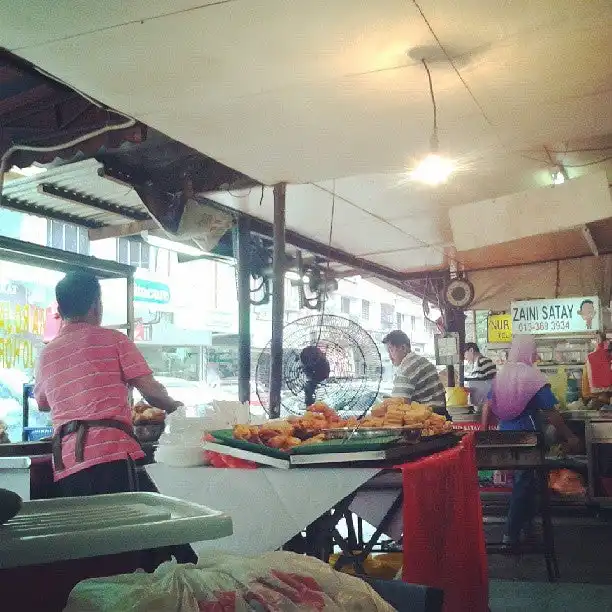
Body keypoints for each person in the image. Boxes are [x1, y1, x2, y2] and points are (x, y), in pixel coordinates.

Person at [481, 335, 580, 548]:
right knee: (524, 484)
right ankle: (511, 534)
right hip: (528, 439)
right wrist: (569, 436)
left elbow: (487, 407)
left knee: (527, 483)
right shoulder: (532, 376)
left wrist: (483, 434)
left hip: (503, 438)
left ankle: (527, 529)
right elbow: (551, 413)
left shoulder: (502, 375)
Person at [382, 330, 449, 417]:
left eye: (391, 350)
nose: (390, 357)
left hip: (426, 420)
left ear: (403, 348)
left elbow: (397, 407)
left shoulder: (406, 368)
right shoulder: (421, 360)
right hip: (440, 416)